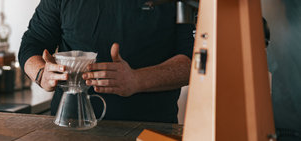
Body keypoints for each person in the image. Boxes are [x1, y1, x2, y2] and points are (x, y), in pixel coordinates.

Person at [18, 0, 194, 123]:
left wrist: (137, 79)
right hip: (72, 127)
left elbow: (192, 61)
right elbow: (31, 45)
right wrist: (42, 74)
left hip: (150, 128)